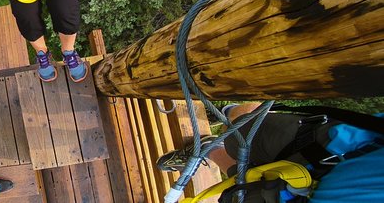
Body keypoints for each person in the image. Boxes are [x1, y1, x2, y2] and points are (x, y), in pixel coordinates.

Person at [157, 103, 384, 202]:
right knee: (239, 131)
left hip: (285, 196)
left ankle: (208, 148)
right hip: (327, 144)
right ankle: (228, 112)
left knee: (241, 178)